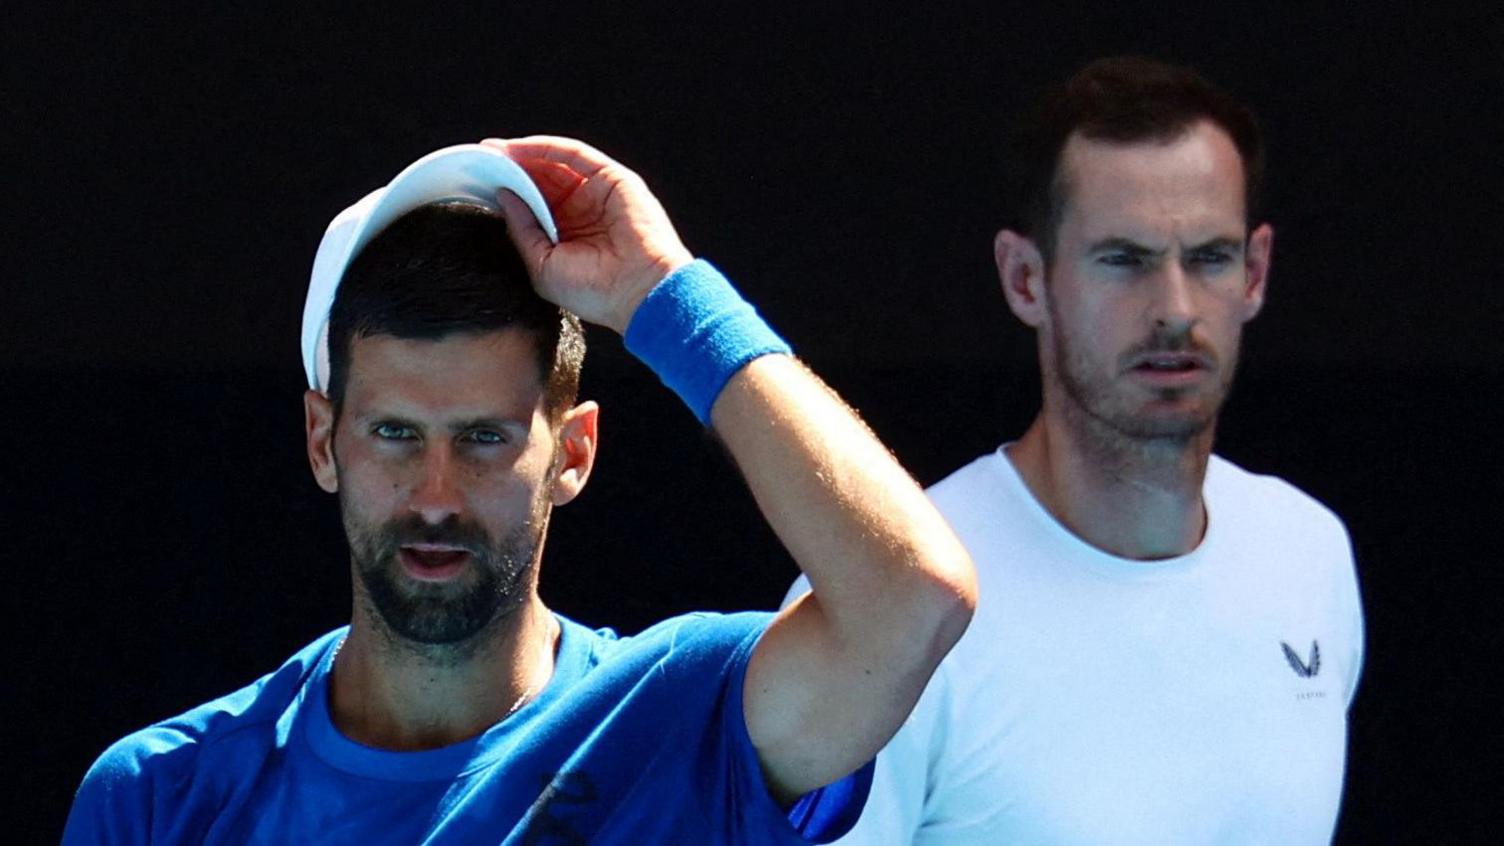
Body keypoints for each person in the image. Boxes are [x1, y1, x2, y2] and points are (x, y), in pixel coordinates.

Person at [62, 137, 977, 844]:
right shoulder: (159, 797)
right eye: (394, 434)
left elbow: (912, 601)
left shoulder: (678, 716)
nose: (434, 495)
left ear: (573, 452)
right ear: (321, 439)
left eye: (485, 439)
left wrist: (668, 295)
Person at [786, 56, 1364, 844]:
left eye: (1209, 257)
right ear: (1025, 279)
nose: (1174, 309)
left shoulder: (1309, 554)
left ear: (1256, 271)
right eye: (1123, 260)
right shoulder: (897, 605)